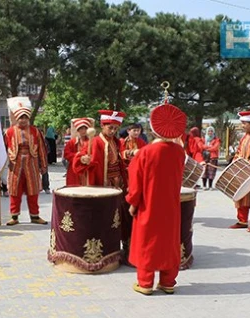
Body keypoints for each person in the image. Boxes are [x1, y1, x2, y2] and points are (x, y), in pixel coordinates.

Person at [127, 103, 186, 295]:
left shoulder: (145, 153)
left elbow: (135, 183)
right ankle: (168, 282)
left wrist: (133, 202)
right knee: (169, 241)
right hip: (170, 205)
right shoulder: (179, 152)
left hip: (148, 205)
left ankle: (145, 283)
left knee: (147, 241)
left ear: (153, 129)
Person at [73, 110, 132, 261]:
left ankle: (125, 246)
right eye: (110, 128)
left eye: (115, 128)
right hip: (103, 184)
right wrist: (84, 160)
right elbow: (79, 159)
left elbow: (120, 160)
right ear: (102, 126)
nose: (112, 131)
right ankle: (104, 250)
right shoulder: (95, 141)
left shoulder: (116, 142)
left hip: (118, 184)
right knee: (105, 216)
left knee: (121, 215)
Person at [4, 103, 48, 226]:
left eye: (25, 117)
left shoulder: (35, 131)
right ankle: (14, 216)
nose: (23, 120)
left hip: (32, 164)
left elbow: (42, 149)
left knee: (33, 191)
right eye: (20, 118)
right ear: (16, 119)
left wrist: (43, 165)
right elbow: (3, 149)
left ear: (28, 119)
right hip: (15, 165)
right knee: (14, 191)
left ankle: (35, 216)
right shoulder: (9, 132)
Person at [63, 118, 93, 186]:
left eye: (85, 129)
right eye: (81, 129)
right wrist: (79, 157)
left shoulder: (91, 142)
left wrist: (89, 158)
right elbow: (66, 154)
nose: (83, 131)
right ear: (78, 130)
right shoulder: (71, 142)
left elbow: (94, 154)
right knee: (74, 189)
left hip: (87, 170)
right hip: (74, 169)